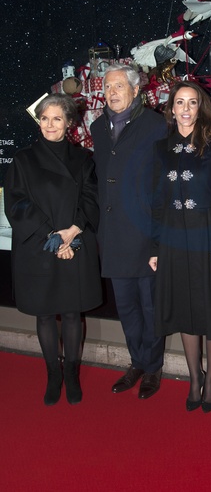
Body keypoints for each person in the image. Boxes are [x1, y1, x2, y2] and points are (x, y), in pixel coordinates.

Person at [149, 81, 211, 413]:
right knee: (184, 307)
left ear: (201, 107)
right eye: (180, 102)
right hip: (173, 237)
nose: (186, 109)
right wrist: (154, 247)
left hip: (210, 234)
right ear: (171, 108)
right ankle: (194, 377)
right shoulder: (160, 148)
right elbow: (157, 201)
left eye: (192, 102)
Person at [4, 93, 102, 406]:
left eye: (57, 118)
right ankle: (53, 375)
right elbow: (16, 203)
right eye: (44, 118)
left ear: (69, 122)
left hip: (75, 244)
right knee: (45, 314)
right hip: (38, 246)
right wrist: (51, 236)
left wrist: (71, 232)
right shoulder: (23, 159)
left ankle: (71, 373)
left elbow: (92, 199)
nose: (49, 124)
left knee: (72, 312)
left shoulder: (83, 159)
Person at [90, 63, 167, 399]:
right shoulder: (97, 127)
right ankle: (137, 362)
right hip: (113, 235)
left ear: (136, 90)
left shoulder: (156, 125)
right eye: (107, 86)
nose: (112, 92)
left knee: (150, 307)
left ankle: (153, 367)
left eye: (119, 86)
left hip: (145, 233)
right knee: (126, 308)